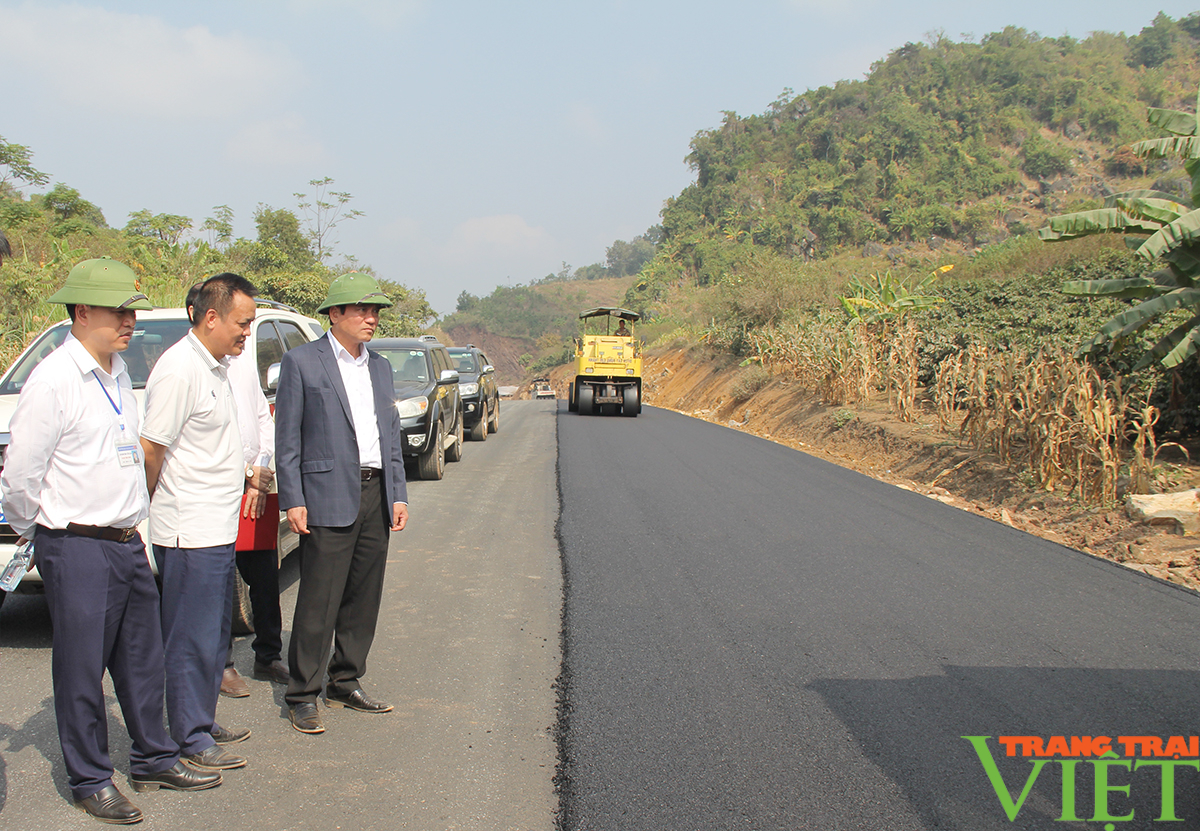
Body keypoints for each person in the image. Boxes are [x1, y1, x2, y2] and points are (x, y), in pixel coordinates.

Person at [1, 258, 221, 824]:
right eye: (119, 311)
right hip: (75, 543)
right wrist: (40, 530)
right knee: (81, 668)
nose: (130, 321)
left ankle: (153, 757)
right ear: (81, 311)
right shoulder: (53, 381)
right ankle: (91, 777)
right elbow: (21, 476)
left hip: (126, 540)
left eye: (132, 311)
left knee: (142, 660)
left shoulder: (119, 373)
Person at [275, 272, 408, 734]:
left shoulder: (380, 367)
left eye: (375, 312)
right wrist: (292, 497)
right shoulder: (302, 362)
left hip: (375, 491)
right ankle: (303, 693)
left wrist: (398, 493)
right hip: (326, 492)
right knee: (319, 598)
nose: (371, 319)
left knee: (363, 595)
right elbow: (287, 438)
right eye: (362, 311)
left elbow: (389, 435)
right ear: (335, 314)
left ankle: (345, 679)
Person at [140, 273, 257, 771]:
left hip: (217, 525)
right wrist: (149, 516)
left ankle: (201, 721)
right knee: (189, 637)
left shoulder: (216, 366)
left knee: (212, 635)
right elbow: (152, 450)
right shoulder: (179, 370)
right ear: (211, 317)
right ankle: (189, 736)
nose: (246, 333)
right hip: (188, 530)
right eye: (242, 323)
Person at [182, 285, 289, 707]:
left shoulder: (241, 363)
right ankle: (222, 662)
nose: (245, 333)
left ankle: (268, 654)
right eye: (241, 322)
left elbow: (263, 415)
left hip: (255, 485)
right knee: (221, 581)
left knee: (264, 575)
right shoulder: (194, 366)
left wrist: (261, 471)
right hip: (220, 489)